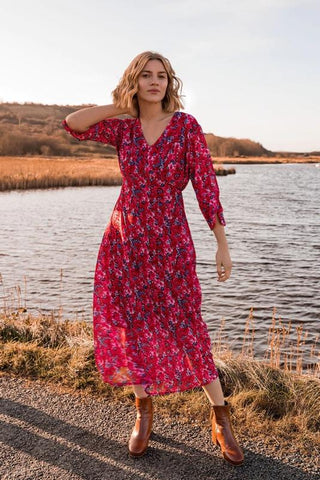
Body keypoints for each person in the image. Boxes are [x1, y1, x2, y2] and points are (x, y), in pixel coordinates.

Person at [62, 50, 244, 466]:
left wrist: (222, 242)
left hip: (170, 240)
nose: (155, 82)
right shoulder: (123, 128)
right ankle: (143, 411)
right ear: (134, 82)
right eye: (145, 75)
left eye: (161, 75)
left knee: (185, 322)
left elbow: (205, 185)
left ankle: (220, 417)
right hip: (124, 238)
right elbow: (73, 124)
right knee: (129, 322)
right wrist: (122, 104)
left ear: (170, 82)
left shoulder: (184, 127)